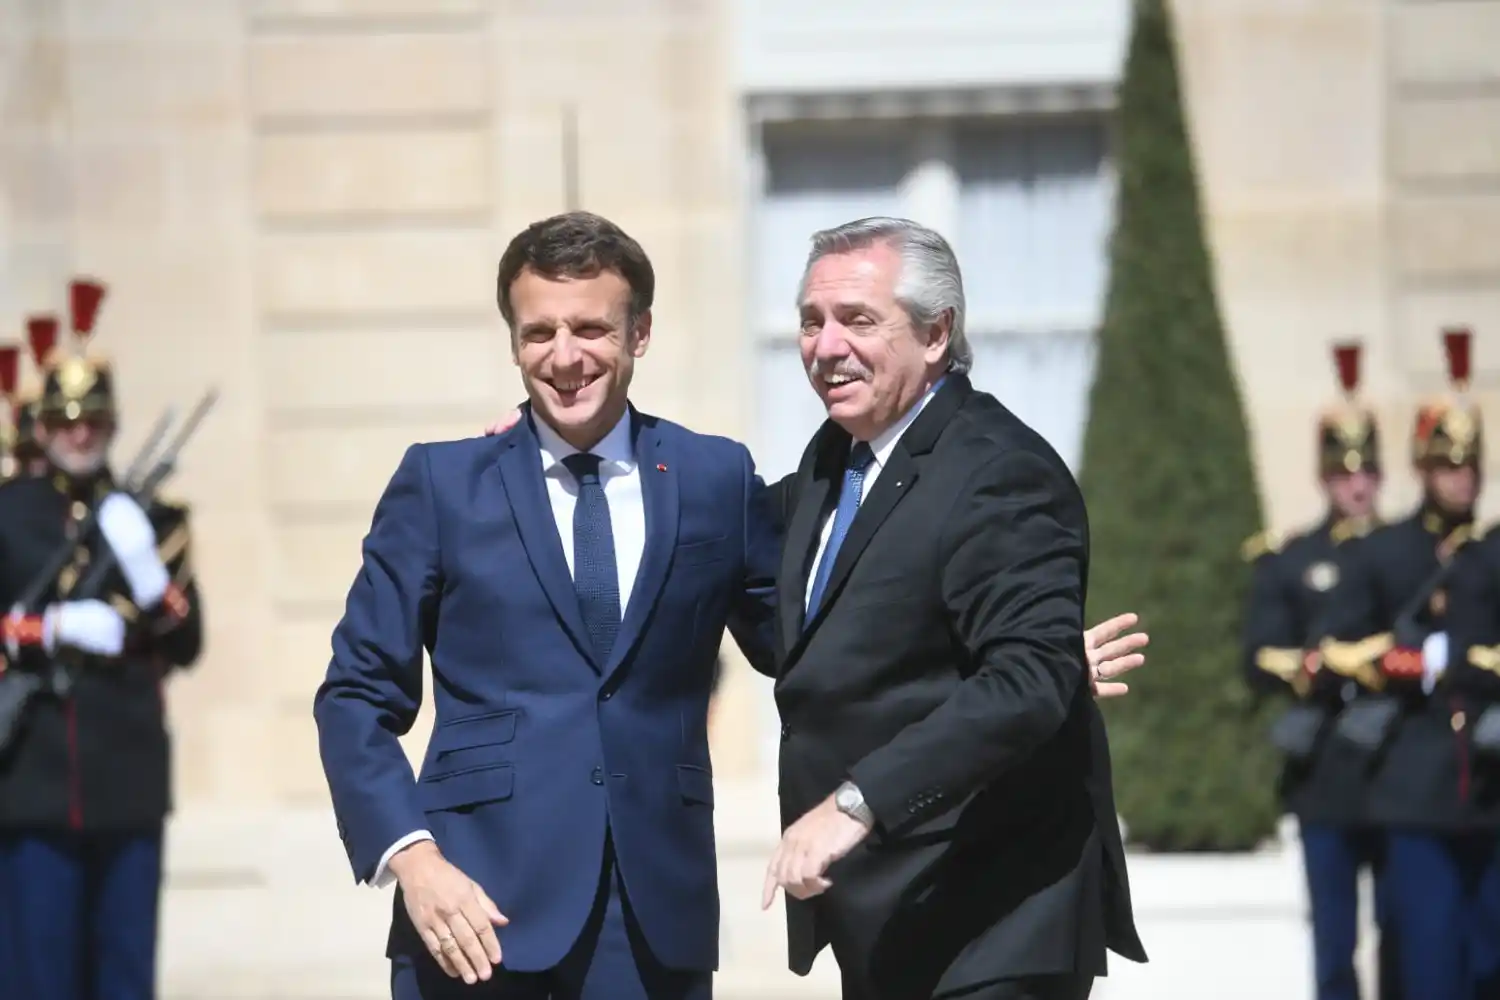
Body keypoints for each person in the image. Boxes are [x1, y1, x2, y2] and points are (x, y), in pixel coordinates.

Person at [315, 211, 789, 1000]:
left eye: (591, 328)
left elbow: (814, 642)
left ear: (639, 334)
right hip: (474, 914)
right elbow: (355, 695)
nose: (564, 358)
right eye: (538, 333)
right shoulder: (441, 486)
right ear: (512, 341)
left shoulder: (716, 479)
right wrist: (413, 859)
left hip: (653, 926)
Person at [752, 217, 1144, 1000]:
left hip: (993, 916)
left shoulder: (998, 472)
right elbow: (734, 571)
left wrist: (856, 804)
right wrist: (551, 451)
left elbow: (1026, 678)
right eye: (811, 320)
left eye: (858, 320)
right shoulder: (835, 465)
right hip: (890, 915)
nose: (827, 347)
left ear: (937, 334)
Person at [0, 278, 203, 1000]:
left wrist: (151, 580)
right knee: (38, 979)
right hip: (32, 781)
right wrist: (44, 627)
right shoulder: (10, 514)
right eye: (64, 420)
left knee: (123, 976)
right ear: (44, 428)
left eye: (92, 418)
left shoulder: (153, 518)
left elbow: (186, 644)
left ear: (112, 423)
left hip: (127, 779)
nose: (79, 432)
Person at [1321, 327, 1498, 1000]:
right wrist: (1428, 660)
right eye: (1449, 464)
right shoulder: (1384, 554)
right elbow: (1338, 650)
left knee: (1489, 967)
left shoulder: (1491, 554)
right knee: (1426, 967)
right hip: (1412, 788)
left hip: (1489, 788)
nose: (1463, 476)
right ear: (1422, 468)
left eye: (1471, 464)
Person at [1241, 341, 1398, 1000]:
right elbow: (1258, 657)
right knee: (1334, 942)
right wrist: (1317, 663)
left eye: (1365, 473)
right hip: (1327, 772)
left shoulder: (1406, 553)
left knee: (1407, 934)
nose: (1355, 485)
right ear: (1324, 478)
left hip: (1398, 769)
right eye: (1342, 473)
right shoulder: (1290, 559)